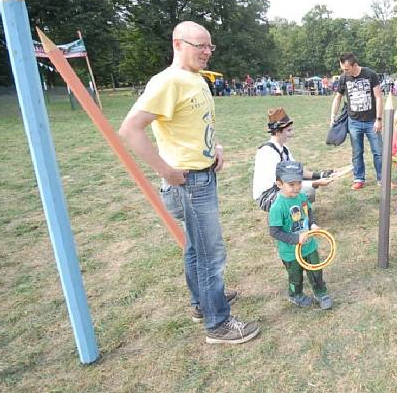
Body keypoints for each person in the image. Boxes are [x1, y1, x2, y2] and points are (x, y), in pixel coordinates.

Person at [118, 21, 259, 345]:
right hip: (190, 182)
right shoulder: (167, 82)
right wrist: (165, 170)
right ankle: (218, 324)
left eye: (210, 46)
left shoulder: (195, 79)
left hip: (202, 175)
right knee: (211, 253)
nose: (207, 52)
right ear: (178, 44)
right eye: (201, 46)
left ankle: (202, 302)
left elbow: (200, 123)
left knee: (197, 248)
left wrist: (217, 147)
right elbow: (130, 129)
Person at [268, 160, 333, 310]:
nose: (296, 187)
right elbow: (275, 231)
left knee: (316, 270)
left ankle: (321, 293)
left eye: (299, 183)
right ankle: (295, 295)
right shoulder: (278, 207)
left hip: (309, 246)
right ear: (279, 184)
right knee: (295, 277)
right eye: (291, 184)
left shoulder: (302, 197)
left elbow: (308, 213)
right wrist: (296, 239)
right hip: (290, 253)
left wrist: (313, 224)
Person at [252, 107, 333, 212]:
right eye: (289, 130)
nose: (292, 134)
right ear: (277, 131)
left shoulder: (283, 149)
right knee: (308, 191)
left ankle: (293, 215)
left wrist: (321, 175)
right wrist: (315, 183)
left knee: (305, 187)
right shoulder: (268, 152)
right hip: (267, 196)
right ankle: (288, 218)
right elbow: (284, 182)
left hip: (280, 187)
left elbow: (297, 171)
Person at [330, 52, 383, 190]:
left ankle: (382, 178)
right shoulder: (343, 78)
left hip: (372, 121)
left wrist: (379, 119)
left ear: (355, 65)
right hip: (353, 122)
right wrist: (332, 116)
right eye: (343, 69)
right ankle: (359, 178)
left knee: (378, 151)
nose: (344, 72)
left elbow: (378, 97)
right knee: (357, 152)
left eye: (346, 69)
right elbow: (338, 97)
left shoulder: (370, 74)